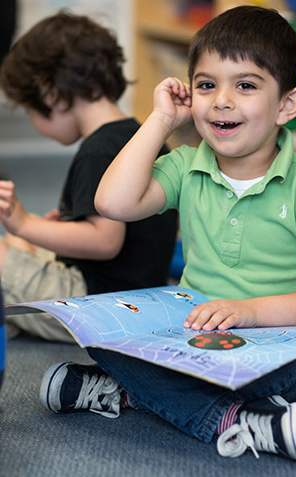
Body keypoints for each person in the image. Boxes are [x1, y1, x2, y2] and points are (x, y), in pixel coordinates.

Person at [37, 6, 296, 461]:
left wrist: (248, 311)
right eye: (207, 85)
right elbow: (113, 203)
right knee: (103, 338)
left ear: (287, 104)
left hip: (275, 348)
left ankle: (140, 398)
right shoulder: (187, 165)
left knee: (273, 376)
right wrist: (161, 121)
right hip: (188, 339)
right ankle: (240, 419)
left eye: (245, 85)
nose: (221, 100)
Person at [0, 11, 177, 342]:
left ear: (50, 93)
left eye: (30, 108)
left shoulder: (98, 151)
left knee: (13, 240)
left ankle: (13, 316)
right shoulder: (141, 136)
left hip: (97, 306)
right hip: (138, 296)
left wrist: (23, 223)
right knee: (24, 240)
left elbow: (105, 242)